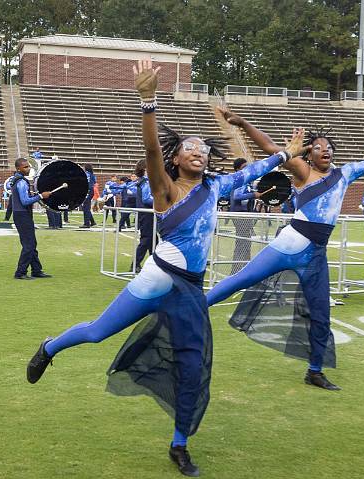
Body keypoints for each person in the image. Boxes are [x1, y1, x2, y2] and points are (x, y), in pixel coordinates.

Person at [26, 59, 303, 477]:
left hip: (190, 290)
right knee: (99, 332)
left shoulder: (215, 187)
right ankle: (49, 347)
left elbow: (262, 169)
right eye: (192, 148)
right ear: (177, 158)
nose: (200, 153)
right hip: (157, 279)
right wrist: (148, 101)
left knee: (193, 365)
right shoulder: (165, 188)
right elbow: (152, 150)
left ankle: (179, 444)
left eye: (205, 150)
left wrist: (285, 155)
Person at [208, 105, 364, 391]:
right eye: (317, 147)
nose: (324, 150)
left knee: (321, 314)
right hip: (289, 244)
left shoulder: (345, 173)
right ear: (309, 154)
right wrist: (242, 123)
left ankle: (314, 370)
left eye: (328, 147)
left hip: (315, 255)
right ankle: (189, 309)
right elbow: (270, 146)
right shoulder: (302, 170)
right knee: (240, 280)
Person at [9, 158, 52, 279]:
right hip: (22, 214)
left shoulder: (17, 179)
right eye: (25, 167)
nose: (28, 169)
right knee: (29, 245)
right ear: (19, 169)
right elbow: (24, 201)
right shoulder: (21, 181)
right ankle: (20, 272)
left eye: (28, 166)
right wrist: (40, 196)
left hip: (21, 214)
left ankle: (36, 270)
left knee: (31, 243)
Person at [229, 158, 262, 274]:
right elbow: (237, 196)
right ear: (238, 169)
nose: (247, 168)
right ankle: (236, 271)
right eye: (244, 167)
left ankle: (244, 270)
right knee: (242, 243)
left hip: (245, 215)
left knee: (246, 242)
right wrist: (254, 194)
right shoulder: (239, 180)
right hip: (240, 216)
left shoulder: (245, 180)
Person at [133, 159, 154, 271]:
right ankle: (135, 264)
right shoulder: (146, 182)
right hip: (146, 213)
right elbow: (147, 199)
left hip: (145, 213)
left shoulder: (142, 181)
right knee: (146, 239)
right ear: (146, 169)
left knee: (153, 240)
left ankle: (155, 264)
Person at [81, 163, 97, 228]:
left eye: (84, 167)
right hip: (91, 190)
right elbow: (95, 182)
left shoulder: (86, 174)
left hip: (87, 190)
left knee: (86, 207)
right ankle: (92, 222)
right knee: (86, 207)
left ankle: (86, 223)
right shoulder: (92, 174)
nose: (83, 168)